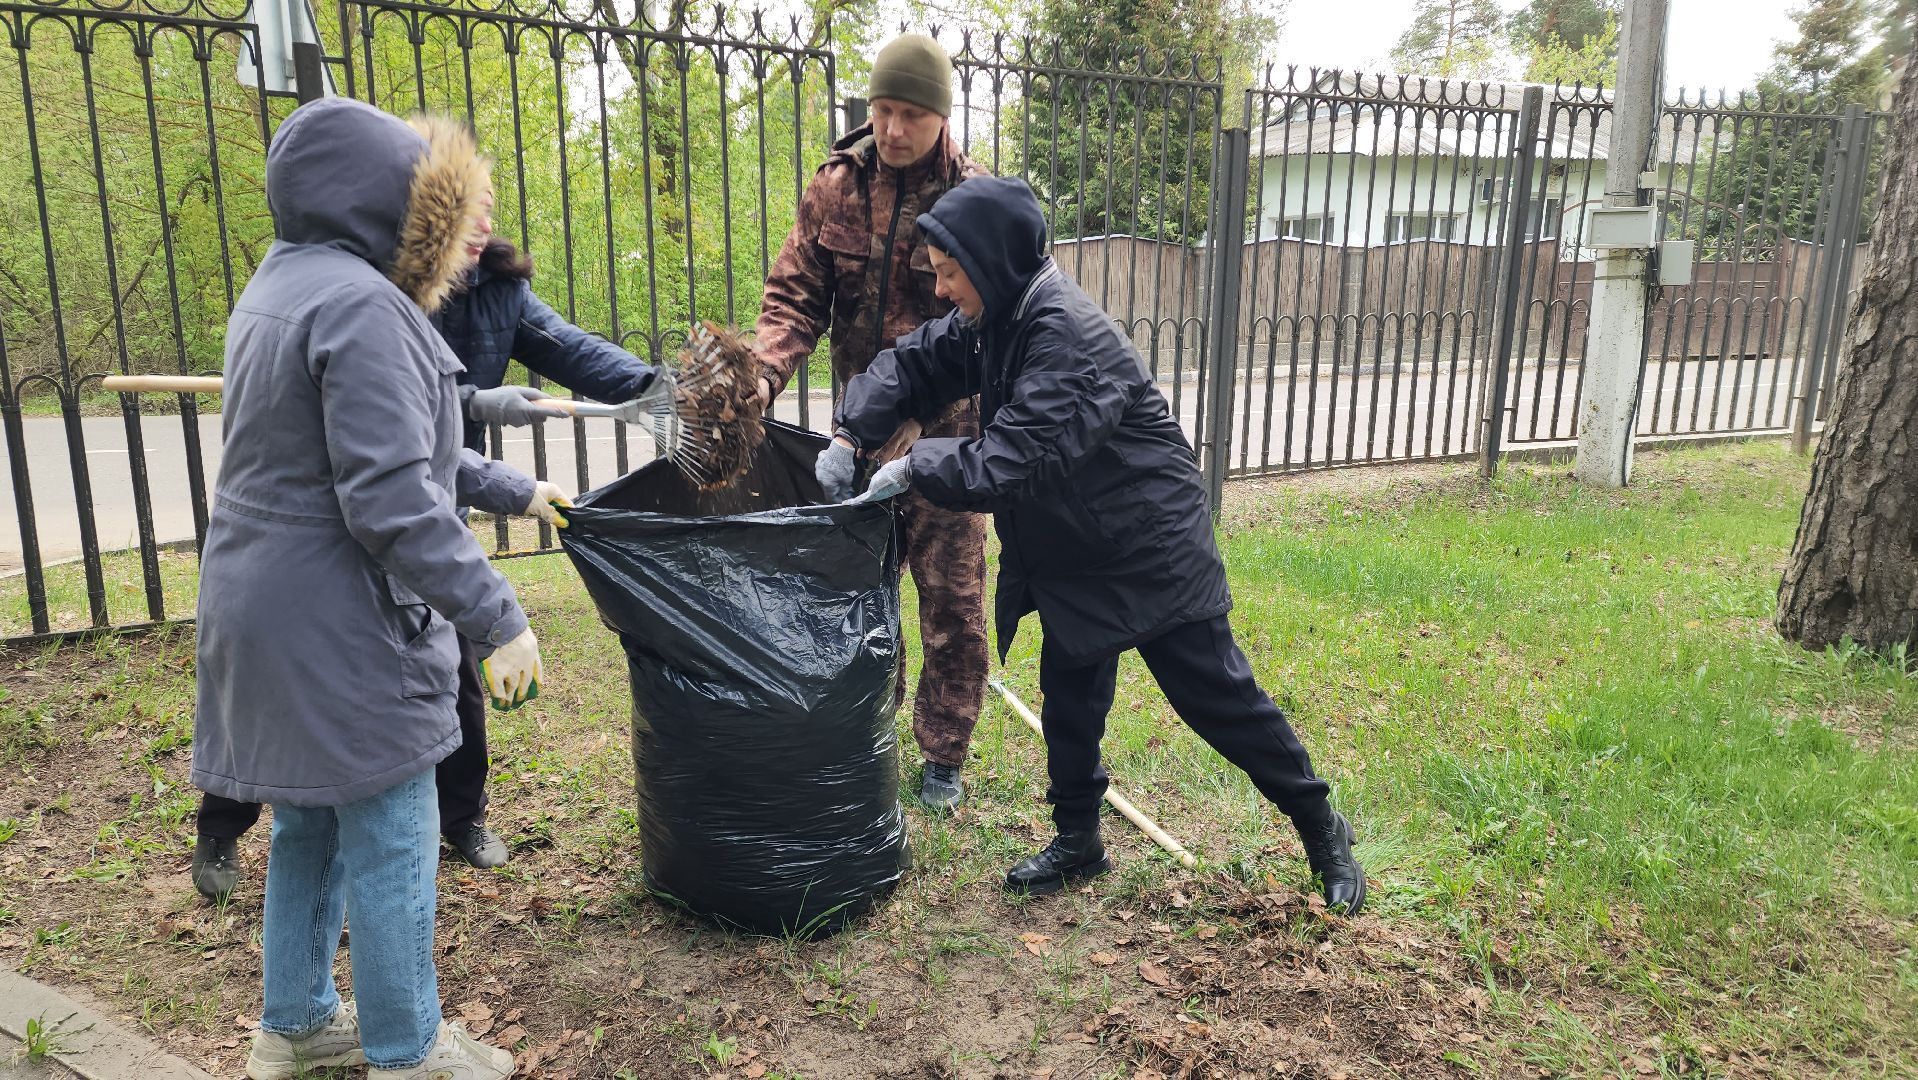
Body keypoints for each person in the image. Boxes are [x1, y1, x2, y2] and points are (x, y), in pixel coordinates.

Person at [819, 176, 1367, 911]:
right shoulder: (997, 315)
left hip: (1149, 541)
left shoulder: (1065, 335)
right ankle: (1079, 841)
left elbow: (1015, 460)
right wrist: (851, 431)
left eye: (950, 274)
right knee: (1070, 700)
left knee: (1216, 698)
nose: (941, 291)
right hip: (1075, 540)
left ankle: (1321, 825)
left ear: (990, 263)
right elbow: (916, 361)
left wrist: (916, 465)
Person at [192, 98, 533, 1079]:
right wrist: (496, 617)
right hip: (339, 625)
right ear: (398, 204)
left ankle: (295, 1026)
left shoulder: (281, 284)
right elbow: (391, 500)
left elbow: (387, 450)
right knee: (392, 832)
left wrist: (515, 488)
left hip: (262, 611)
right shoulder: (366, 307)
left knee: (309, 821)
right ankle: (408, 1050)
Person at [190, 194, 658, 898]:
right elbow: (385, 441)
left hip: (433, 503)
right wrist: (470, 403)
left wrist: (650, 390)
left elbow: (571, 350)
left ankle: (462, 817)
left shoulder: (499, 291)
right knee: (276, 682)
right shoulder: (374, 290)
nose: (483, 226)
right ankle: (222, 824)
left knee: (455, 677)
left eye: (490, 209)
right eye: (468, 208)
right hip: (347, 526)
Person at [756, 33, 992, 812]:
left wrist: (921, 416)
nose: (892, 129)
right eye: (882, 110)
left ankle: (944, 753)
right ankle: (867, 726)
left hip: (946, 438)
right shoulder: (837, 186)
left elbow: (986, 327)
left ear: (942, 116)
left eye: (911, 115)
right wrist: (762, 375)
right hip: (858, 435)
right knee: (859, 594)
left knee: (952, 603)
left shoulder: (971, 198)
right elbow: (794, 298)